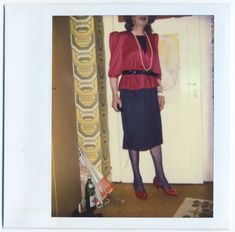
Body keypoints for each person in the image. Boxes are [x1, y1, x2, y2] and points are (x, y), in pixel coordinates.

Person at [108, 15, 179, 200]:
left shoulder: (152, 39)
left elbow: (155, 69)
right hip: (130, 91)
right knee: (133, 134)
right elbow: (114, 70)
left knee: (154, 133)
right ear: (132, 17)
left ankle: (160, 177)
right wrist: (115, 95)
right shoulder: (121, 38)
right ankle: (137, 179)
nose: (143, 14)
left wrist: (159, 92)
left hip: (149, 91)